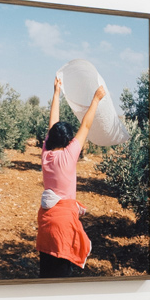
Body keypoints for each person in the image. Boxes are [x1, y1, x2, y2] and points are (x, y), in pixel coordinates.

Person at [35, 75, 101, 273]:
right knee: (62, 278)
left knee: (46, 274)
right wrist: (96, 99)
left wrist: (56, 93)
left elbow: (52, 124)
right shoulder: (68, 156)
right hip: (62, 226)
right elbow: (86, 125)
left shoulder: (46, 154)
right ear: (67, 142)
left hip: (45, 223)